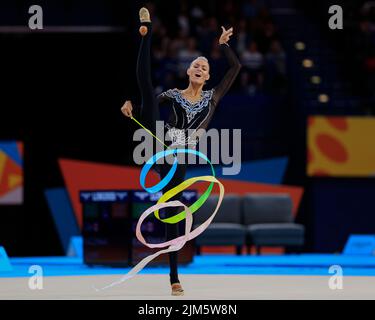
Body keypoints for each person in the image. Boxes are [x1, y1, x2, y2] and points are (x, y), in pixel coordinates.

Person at [121, 7, 241, 296]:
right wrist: (131, 107)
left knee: (173, 209)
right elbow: (149, 106)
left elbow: (235, 69)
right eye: (195, 66)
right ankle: (146, 34)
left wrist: (224, 46)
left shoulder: (213, 97)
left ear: (208, 76)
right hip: (163, 144)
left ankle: (174, 276)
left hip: (184, 156)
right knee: (148, 92)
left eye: (204, 67)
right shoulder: (174, 94)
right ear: (188, 71)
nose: (199, 68)